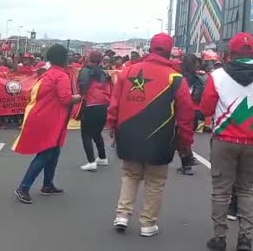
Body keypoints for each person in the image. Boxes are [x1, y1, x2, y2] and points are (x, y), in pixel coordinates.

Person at [108, 33, 194, 237]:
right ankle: (147, 223)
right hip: (160, 137)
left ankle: (122, 214)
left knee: (130, 175)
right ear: (170, 50)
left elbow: (115, 104)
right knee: (155, 181)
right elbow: (186, 114)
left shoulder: (127, 72)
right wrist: (186, 142)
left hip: (128, 133)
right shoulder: (176, 78)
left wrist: (112, 125)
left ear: (151, 48)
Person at [201, 32, 253, 251]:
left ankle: (219, 238)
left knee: (221, 191)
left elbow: (206, 109)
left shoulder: (217, 76)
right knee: (246, 190)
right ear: (252, 52)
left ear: (230, 53)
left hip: (224, 140)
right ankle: (245, 239)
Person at [13, 44, 82, 204]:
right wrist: (78, 98)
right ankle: (23, 187)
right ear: (64, 58)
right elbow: (65, 99)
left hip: (44, 116)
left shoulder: (48, 74)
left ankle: (47, 184)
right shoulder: (61, 76)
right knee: (46, 153)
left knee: (54, 151)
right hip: (51, 119)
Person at [78, 51, 112, 171]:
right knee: (97, 132)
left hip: (90, 104)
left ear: (89, 58)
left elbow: (83, 86)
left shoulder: (86, 70)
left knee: (86, 134)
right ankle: (102, 157)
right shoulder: (103, 72)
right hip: (103, 104)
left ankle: (91, 161)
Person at [175, 53, 207, 175]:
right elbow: (198, 96)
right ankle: (188, 159)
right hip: (195, 111)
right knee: (185, 138)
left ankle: (187, 162)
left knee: (180, 139)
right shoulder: (198, 78)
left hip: (183, 110)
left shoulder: (179, 78)